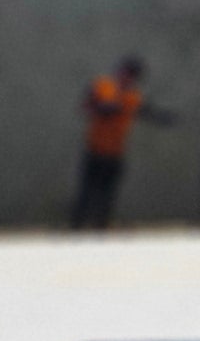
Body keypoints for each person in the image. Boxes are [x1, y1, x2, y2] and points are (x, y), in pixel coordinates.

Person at [73, 57, 171, 230]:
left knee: (107, 196)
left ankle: (100, 230)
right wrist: (104, 108)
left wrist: (165, 118)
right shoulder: (102, 86)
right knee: (86, 194)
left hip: (115, 154)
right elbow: (86, 107)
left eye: (131, 76)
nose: (126, 78)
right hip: (95, 151)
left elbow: (146, 112)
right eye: (124, 73)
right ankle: (77, 228)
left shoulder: (133, 97)